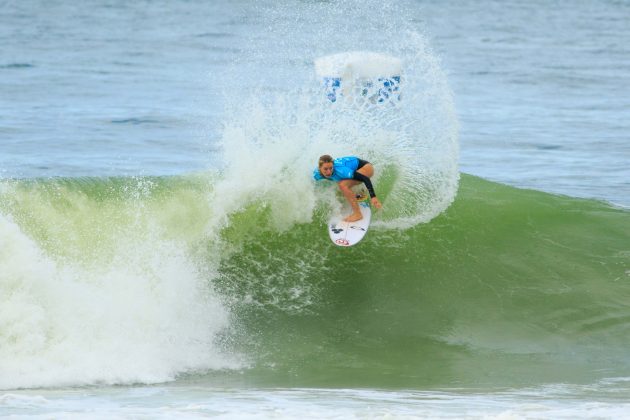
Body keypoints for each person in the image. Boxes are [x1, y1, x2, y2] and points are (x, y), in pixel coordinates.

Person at [313, 155, 382, 222]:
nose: (329, 172)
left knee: (342, 185)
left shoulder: (341, 170)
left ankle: (358, 214)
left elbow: (365, 178)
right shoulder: (316, 174)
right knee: (340, 181)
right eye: (325, 169)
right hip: (353, 169)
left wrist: (373, 196)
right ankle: (359, 192)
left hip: (366, 168)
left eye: (331, 168)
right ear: (320, 168)